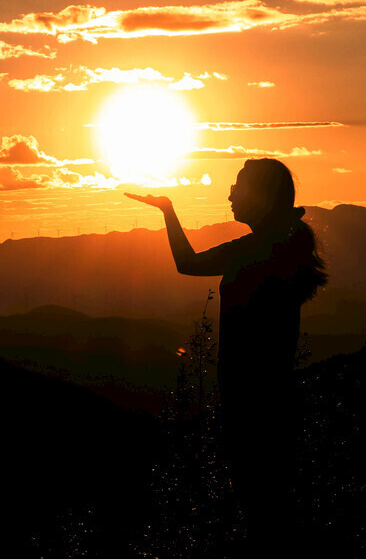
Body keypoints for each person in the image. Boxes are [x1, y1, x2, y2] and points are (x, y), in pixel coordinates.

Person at [126, 158, 326, 554]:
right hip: (274, 397)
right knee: (273, 506)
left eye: (237, 186)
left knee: (259, 509)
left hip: (252, 402)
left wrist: (168, 211)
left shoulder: (254, 250)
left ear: (262, 196)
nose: (230, 194)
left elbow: (187, 264)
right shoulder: (282, 244)